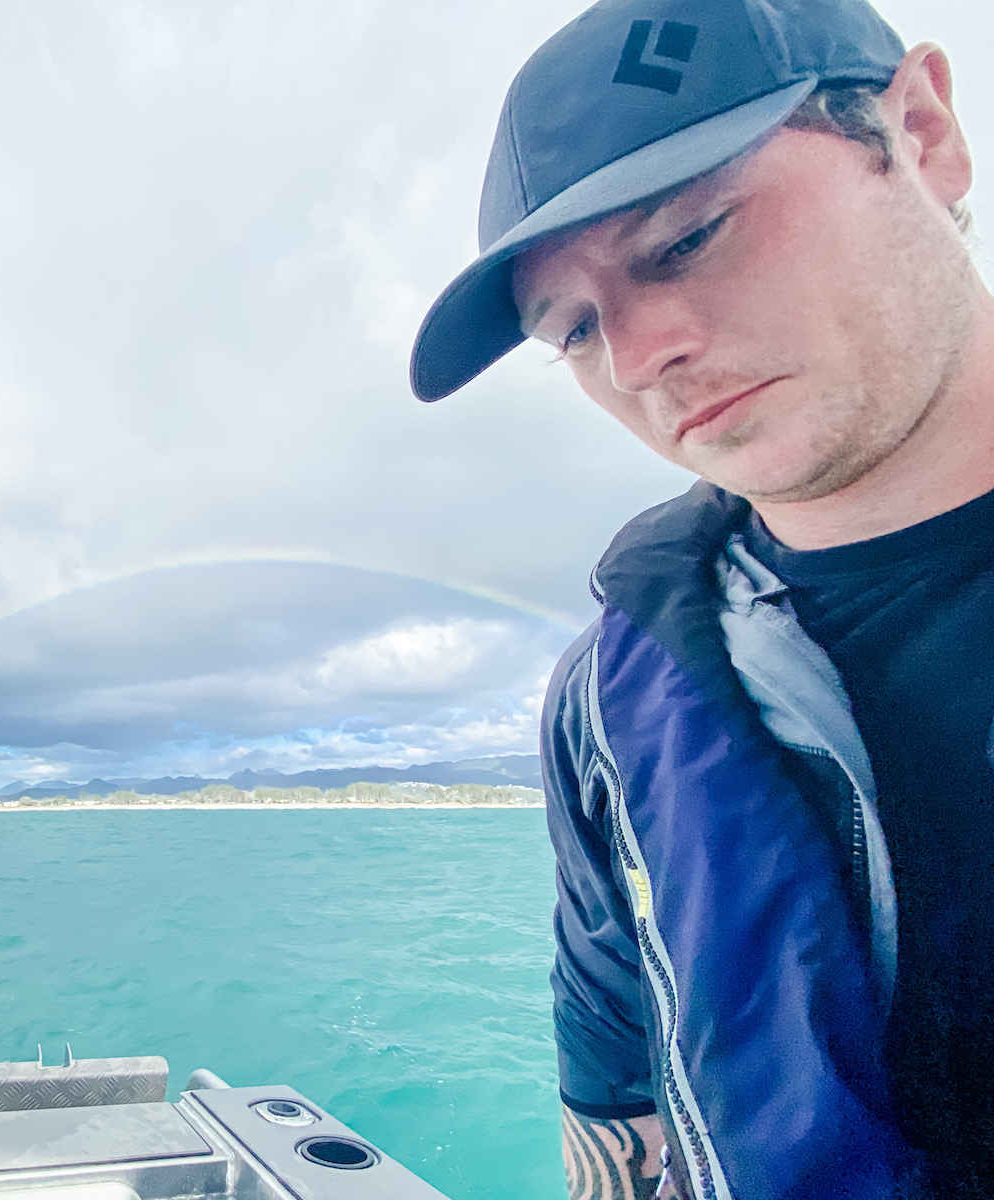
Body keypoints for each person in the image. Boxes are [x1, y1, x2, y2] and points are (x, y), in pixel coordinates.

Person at [408, 0, 994, 1196]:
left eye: (685, 238)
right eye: (575, 328)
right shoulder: (609, 703)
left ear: (920, 134)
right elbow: (613, 1074)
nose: (636, 360)